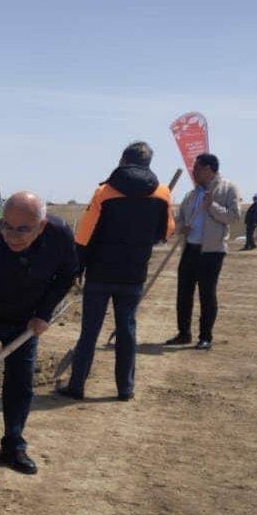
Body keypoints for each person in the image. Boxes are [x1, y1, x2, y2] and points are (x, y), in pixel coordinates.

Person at [0, 192, 77, 476]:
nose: (13, 235)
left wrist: (44, 313)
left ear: (41, 226)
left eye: (23, 229)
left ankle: (13, 445)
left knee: (20, 384)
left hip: (25, 322)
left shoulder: (59, 235)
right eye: (7, 225)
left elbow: (68, 274)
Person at [56, 142, 175, 402]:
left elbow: (85, 235)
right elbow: (164, 233)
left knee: (90, 331)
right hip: (133, 274)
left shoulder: (104, 192)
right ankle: (125, 388)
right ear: (148, 163)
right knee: (127, 329)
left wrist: (77, 268)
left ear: (123, 159)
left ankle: (77, 386)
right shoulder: (162, 194)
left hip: (100, 272)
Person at [165, 154, 240, 349]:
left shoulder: (227, 188)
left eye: (197, 167)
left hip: (211, 251)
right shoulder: (192, 194)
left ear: (209, 169)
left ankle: (205, 336)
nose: (194, 171)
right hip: (190, 248)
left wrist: (212, 206)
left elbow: (233, 216)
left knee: (206, 294)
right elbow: (179, 219)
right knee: (184, 293)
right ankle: (184, 333)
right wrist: (182, 228)